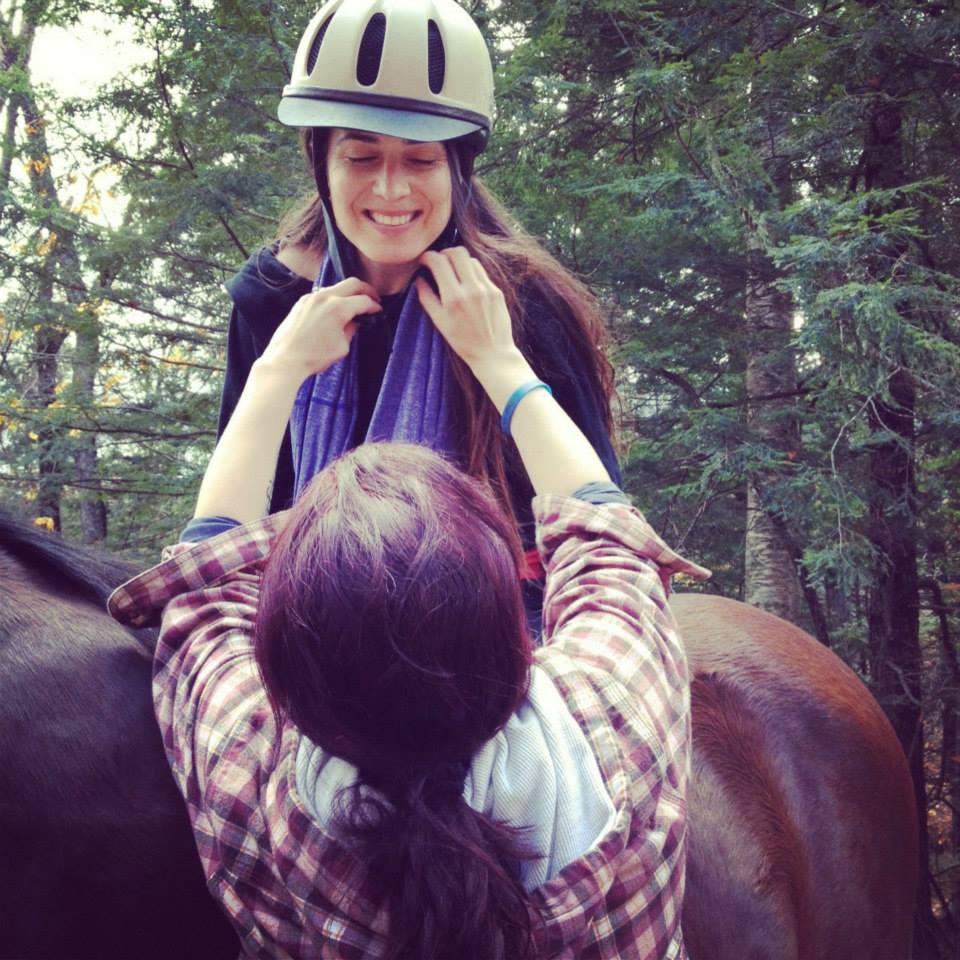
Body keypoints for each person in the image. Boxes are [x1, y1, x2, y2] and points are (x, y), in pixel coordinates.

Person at [110, 236, 708, 958]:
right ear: (515, 639)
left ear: (289, 679)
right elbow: (604, 531)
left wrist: (274, 371)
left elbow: (207, 580)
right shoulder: (620, 716)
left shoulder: (245, 774)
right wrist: (500, 361)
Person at [213, 0, 622, 630]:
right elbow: (242, 525)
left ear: (458, 167)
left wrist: (495, 359)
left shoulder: (526, 303)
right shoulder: (272, 300)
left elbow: (595, 515)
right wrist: (282, 369)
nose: (391, 189)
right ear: (320, 161)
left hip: (501, 634)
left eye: (421, 160)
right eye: (361, 157)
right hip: (315, 633)